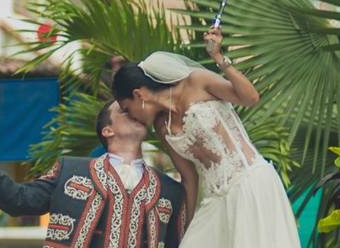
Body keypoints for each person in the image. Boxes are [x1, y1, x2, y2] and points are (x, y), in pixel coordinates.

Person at [112, 26, 300, 247]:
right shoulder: (162, 126)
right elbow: (189, 178)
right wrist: (189, 225)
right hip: (213, 202)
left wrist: (218, 57)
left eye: (126, 108)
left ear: (138, 95)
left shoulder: (196, 82)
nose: (129, 115)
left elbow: (250, 98)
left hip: (248, 184)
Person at [0, 100, 185, 247]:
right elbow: (16, 200)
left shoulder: (171, 189)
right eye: (124, 110)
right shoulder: (69, 170)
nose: (134, 110)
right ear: (108, 130)